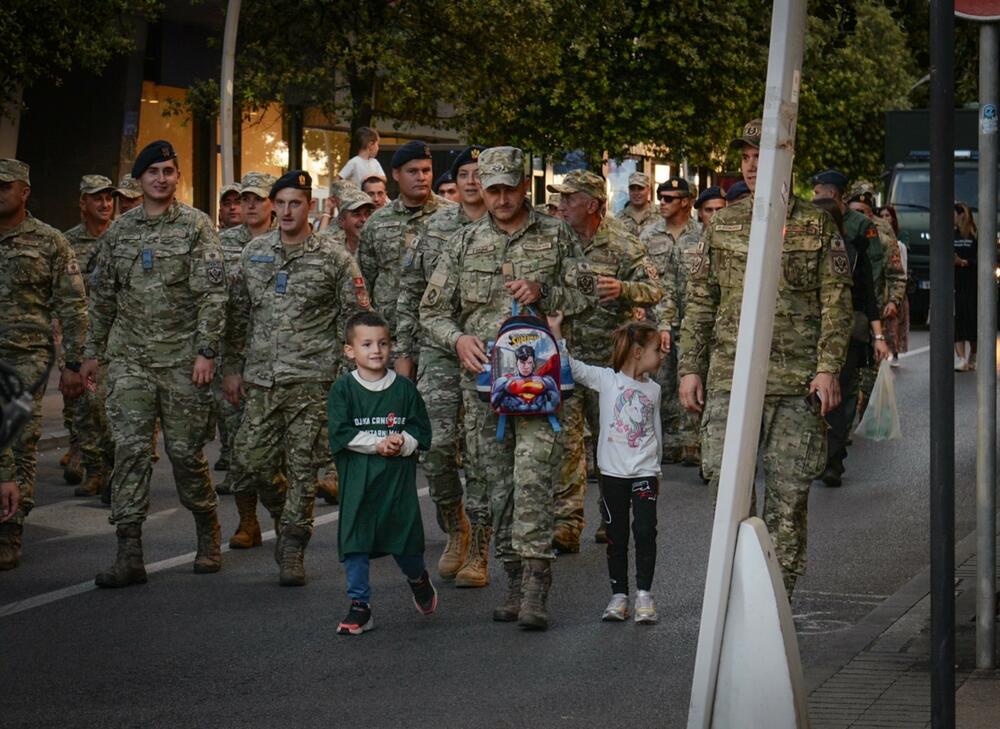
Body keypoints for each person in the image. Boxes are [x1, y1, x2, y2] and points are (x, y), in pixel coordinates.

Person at [420, 146, 596, 630]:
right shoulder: (462, 243)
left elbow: (586, 293)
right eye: (491, 189)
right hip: (484, 390)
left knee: (534, 481)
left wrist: (546, 293)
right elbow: (430, 311)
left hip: (540, 390)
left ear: (525, 187)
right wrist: (457, 340)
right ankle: (513, 581)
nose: (499, 198)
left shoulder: (556, 234)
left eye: (508, 189)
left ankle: (537, 588)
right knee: (495, 489)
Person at [679, 119, 854, 595]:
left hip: (795, 385)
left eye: (763, 155)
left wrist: (826, 369)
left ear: (788, 161)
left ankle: (778, 598)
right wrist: (690, 368)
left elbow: (835, 303)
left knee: (789, 497)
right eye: (746, 157)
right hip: (729, 381)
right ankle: (735, 590)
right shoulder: (724, 225)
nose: (753, 165)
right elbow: (700, 301)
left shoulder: (816, 226)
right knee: (723, 486)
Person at [83, 140, 227, 587]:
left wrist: (206, 351)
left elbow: (213, 294)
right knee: (129, 452)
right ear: (138, 180)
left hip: (183, 361)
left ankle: (207, 529)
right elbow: (103, 297)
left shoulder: (196, 227)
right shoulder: (120, 233)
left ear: (176, 177)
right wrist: (91, 352)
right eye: (153, 172)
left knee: (184, 453)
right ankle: (129, 553)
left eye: (168, 171)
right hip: (130, 361)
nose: (161, 178)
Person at [222, 170, 369, 586]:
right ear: (272, 206)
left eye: (295, 203)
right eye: (281, 203)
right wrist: (231, 368)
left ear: (311, 207)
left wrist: (349, 380)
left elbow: (355, 319)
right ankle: (282, 511)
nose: (287, 211)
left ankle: (292, 547)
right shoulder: (254, 253)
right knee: (248, 464)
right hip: (262, 382)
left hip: (313, 381)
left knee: (304, 471)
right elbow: (237, 316)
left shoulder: (334, 257)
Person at [550, 169, 662, 552]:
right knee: (566, 442)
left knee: (609, 442)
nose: (561, 205)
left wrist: (625, 288)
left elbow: (655, 287)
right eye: (560, 199)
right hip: (567, 359)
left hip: (609, 364)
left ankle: (610, 516)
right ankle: (566, 522)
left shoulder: (622, 243)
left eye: (569, 199)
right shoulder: (555, 240)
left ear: (593, 205)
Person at [396, 145, 489, 585]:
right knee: (434, 448)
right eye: (464, 174)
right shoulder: (433, 229)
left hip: (493, 353)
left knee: (485, 454)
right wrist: (403, 357)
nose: (471, 181)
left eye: (479, 173)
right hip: (438, 348)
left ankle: (482, 550)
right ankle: (456, 529)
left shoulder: (507, 224)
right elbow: (409, 293)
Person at [0, 158, 88, 570]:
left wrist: (73, 363)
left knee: (18, 441)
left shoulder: (50, 242)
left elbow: (72, 306)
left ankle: (10, 530)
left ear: (24, 192)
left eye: (5, 186)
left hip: (25, 362)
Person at [549, 312, 663, 623]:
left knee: (644, 532)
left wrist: (656, 470)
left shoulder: (654, 390)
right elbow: (572, 367)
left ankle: (644, 595)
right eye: (656, 350)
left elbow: (656, 431)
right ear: (638, 352)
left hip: (644, 474)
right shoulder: (608, 380)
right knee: (616, 535)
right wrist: (557, 332)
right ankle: (619, 595)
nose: (661, 356)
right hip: (612, 475)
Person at [327, 311, 436, 635]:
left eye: (383, 343)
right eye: (367, 344)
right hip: (358, 484)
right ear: (350, 350)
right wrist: (378, 444)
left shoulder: (403, 390)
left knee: (404, 545)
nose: (376, 350)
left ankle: (418, 579)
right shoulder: (343, 390)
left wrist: (403, 442)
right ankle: (360, 606)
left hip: (395, 486)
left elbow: (422, 430)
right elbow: (341, 433)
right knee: (355, 544)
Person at [214, 172, 277, 547]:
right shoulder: (221, 245)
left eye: (257, 198)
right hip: (236, 361)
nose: (249, 205)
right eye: (244, 198)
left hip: (278, 363)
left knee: (273, 457)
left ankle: (284, 521)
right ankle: (247, 521)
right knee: (238, 447)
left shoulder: (285, 242)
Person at [812, 198, 888, 488]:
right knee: (817, 399)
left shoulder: (853, 252)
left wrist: (878, 336)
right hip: (811, 334)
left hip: (847, 335)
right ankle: (820, 455)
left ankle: (833, 459)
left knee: (840, 398)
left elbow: (869, 297)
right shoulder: (798, 251)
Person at [359, 140, 452, 341]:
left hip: (437, 335)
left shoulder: (452, 217)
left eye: (426, 170)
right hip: (388, 334)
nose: (421, 177)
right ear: (395, 174)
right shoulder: (377, 222)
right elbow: (364, 279)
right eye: (413, 171)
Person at [640, 177, 701, 466]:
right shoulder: (648, 236)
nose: (661, 202)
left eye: (669, 198)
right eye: (660, 197)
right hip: (657, 320)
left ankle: (692, 440)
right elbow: (639, 276)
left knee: (690, 375)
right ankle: (669, 441)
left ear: (686, 201)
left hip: (692, 319)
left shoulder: (701, 235)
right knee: (660, 380)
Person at [62, 175, 117, 496]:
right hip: (79, 338)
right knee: (82, 408)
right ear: (83, 203)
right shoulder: (67, 243)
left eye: (109, 197)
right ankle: (95, 470)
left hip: (114, 337)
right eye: (97, 198)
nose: (105, 203)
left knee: (107, 407)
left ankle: (114, 469)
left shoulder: (123, 236)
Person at [879, 205, 910, 363]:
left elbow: (901, 271)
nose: (885, 219)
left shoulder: (899, 245)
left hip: (893, 290)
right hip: (880, 288)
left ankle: (894, 351)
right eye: (882, 215)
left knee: (893, 323)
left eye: (888, 216)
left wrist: (897, 295)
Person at [954, 201, 978, 371]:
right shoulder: (951, 234)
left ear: (963, 214)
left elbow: (982, 259)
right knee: (958, 322)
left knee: (972, 322)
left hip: (971, 284)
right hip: (955, 284)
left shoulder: (974, 236)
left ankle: (973, 355)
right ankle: (961, 358)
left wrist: (964, 262)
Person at [616, 172, 657, 237]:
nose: (636, 193)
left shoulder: (661, 215)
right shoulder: (618, 219)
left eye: (640, 189)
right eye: (632, 189)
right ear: (628, 190)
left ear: (648, 190)